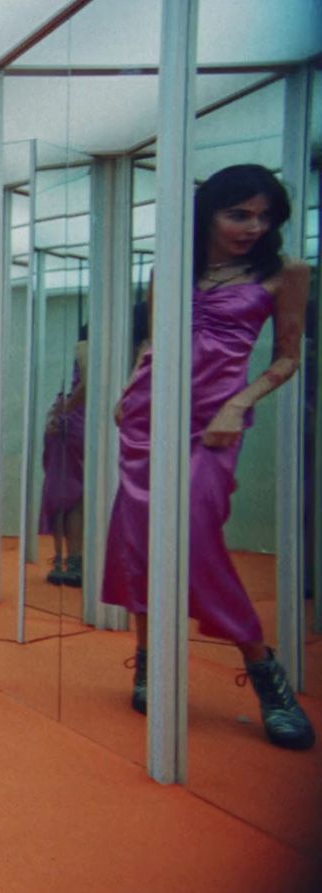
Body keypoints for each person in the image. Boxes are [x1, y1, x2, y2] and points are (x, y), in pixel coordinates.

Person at [102, 164, 313, 750]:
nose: (253, 226)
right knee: (140, 536)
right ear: (208, 214)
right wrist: (130, 384)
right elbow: (153, 339)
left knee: (196, 536)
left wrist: (237, 405)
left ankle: (266, 670)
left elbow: (288, 358)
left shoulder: (286, 272)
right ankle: (147, 659)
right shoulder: (169, 268)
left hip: (217, 423)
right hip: (150, 416)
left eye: (263, 216)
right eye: (238, 213)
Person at [38, 329, 87, 586]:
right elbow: (90, 382)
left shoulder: (83, 345)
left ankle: (63, 559)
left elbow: (86, 381)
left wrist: (63, 411)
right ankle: (74, 559)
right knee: (75, 497)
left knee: (61, 493)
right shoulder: (91, 345)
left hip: (72, 425)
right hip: (81, 424)